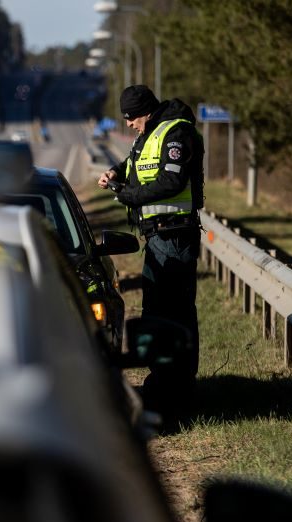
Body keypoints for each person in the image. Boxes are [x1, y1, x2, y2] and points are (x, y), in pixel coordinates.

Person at [97, 84, 204, 420]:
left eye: (130, 118)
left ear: (143, 111)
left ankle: (177, 387)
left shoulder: (176, 132)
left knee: (173, 312)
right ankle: (165, 382)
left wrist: (130, 195)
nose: (129, 125)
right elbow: (135, 162)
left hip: (175, 235)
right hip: (158, 236)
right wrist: (117, 171)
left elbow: (172, 182)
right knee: (158, 309)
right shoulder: (150, 134)